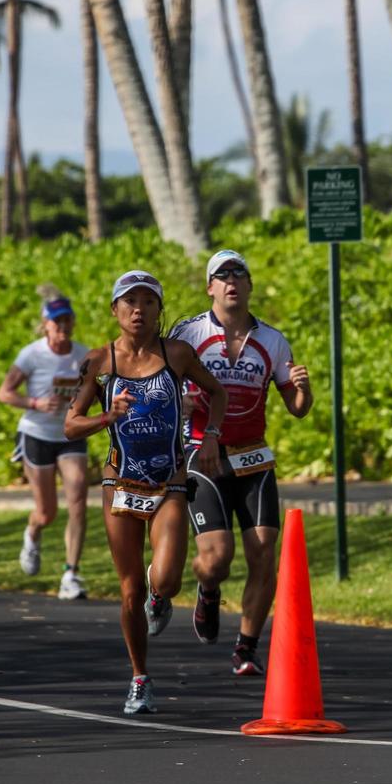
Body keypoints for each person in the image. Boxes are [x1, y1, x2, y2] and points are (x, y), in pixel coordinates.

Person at [65, 270, 227, 715]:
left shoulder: (176, 353)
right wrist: (106, 418)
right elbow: (70, 423)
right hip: (120, 483)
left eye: (148, 302)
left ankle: (163, 597)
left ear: (159, 310)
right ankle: (140, 678)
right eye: (129, 302)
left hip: (169, 482)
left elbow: (216, 392)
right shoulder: (100, 362)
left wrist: (210, 435)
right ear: (115, 310)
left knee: (168, 579)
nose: (139, 310)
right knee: (130, 588)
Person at [169, 250, 313, 676]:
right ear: (210, 286)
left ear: (249, 285)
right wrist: (184, 399)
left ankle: (246, 648)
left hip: (253, 456)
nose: (232, 280)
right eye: (222, 275)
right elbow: (160, 388)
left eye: (240, 273)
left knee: (265, 549)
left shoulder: (273, 340)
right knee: (216, 558)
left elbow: (297, 407)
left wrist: (303, 390)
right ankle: (208, 590)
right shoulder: (188, 333)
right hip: (203, 452)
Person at [0, 286, 92, 601]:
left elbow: (95, 390)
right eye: (56, 322)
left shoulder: (83, 355)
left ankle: (71, 574)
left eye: (67, 321)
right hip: (36, 434)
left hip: (68, 435)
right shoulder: (31, 354)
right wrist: (36, 403)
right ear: (45, 325)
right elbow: (5, 393)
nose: (62, 327)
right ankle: (33, 533)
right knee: (47, 512)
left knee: (78, 497)